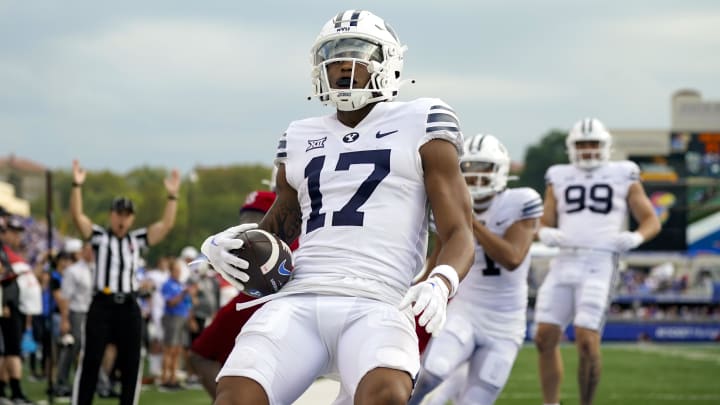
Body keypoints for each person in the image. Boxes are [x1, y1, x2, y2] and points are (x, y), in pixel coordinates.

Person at [201, 10, 474, 405]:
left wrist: (442, 280)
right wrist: (228, 247)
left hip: (379, 299)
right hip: (297, 299)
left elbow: (460, 233)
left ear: (388, 62)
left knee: (386, 396)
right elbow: (278, 231)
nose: (343, 64)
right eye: (332, 53)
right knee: (235, 398)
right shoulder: (300, 135)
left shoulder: (423, 120)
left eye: (357, 53)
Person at [533, 118, 661, 405]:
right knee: (543, 336)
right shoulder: (559, 175)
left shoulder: (623, 173)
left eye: (593, 144)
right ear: (571, 147)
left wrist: (636, 237)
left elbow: (651, 220)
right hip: (565, 259)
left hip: (600, 262)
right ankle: (550, 403)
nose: (588, 150)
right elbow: (544, 220)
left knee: (587, 340)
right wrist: (544, 231)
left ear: (606, 146)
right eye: (582, 144)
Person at [407, 134, 542, 405]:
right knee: (428, 374)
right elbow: (438, 257)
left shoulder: (521, 201)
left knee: (476, 401)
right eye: (468, 168)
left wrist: (470, 221)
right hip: (465, 310)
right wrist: (413, 288)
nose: (476, 176)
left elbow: (512, 258)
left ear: (500, 170)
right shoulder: (451, 205)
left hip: (506, 323)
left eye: (484, 167)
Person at [69, 159, 180, 405]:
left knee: (132, 363)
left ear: (132, 218)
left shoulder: (136, 239)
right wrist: (76, 186)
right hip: (103, 304)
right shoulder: (100, 237)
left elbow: (165, 226)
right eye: (119, 213)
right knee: (91, 360)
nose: (123, 219)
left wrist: (172, 197)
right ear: (111, 215)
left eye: (127, 215)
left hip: (129, 306)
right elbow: (78, 217)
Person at [188, 190, 279, 399]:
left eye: (255, 218)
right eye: (245, 218)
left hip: (261, 296)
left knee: (201, 355)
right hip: (264, 295)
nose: (247, 224)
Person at [54, 239, 93, 398]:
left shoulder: (97, 269)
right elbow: (66, 297)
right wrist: (65, 319)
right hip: (76, 312)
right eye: (89, 249)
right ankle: (61, 381)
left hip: (92, 312)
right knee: (73, 346)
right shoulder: (73, 271)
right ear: (82, 251)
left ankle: (94, 382)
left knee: (91, 348)